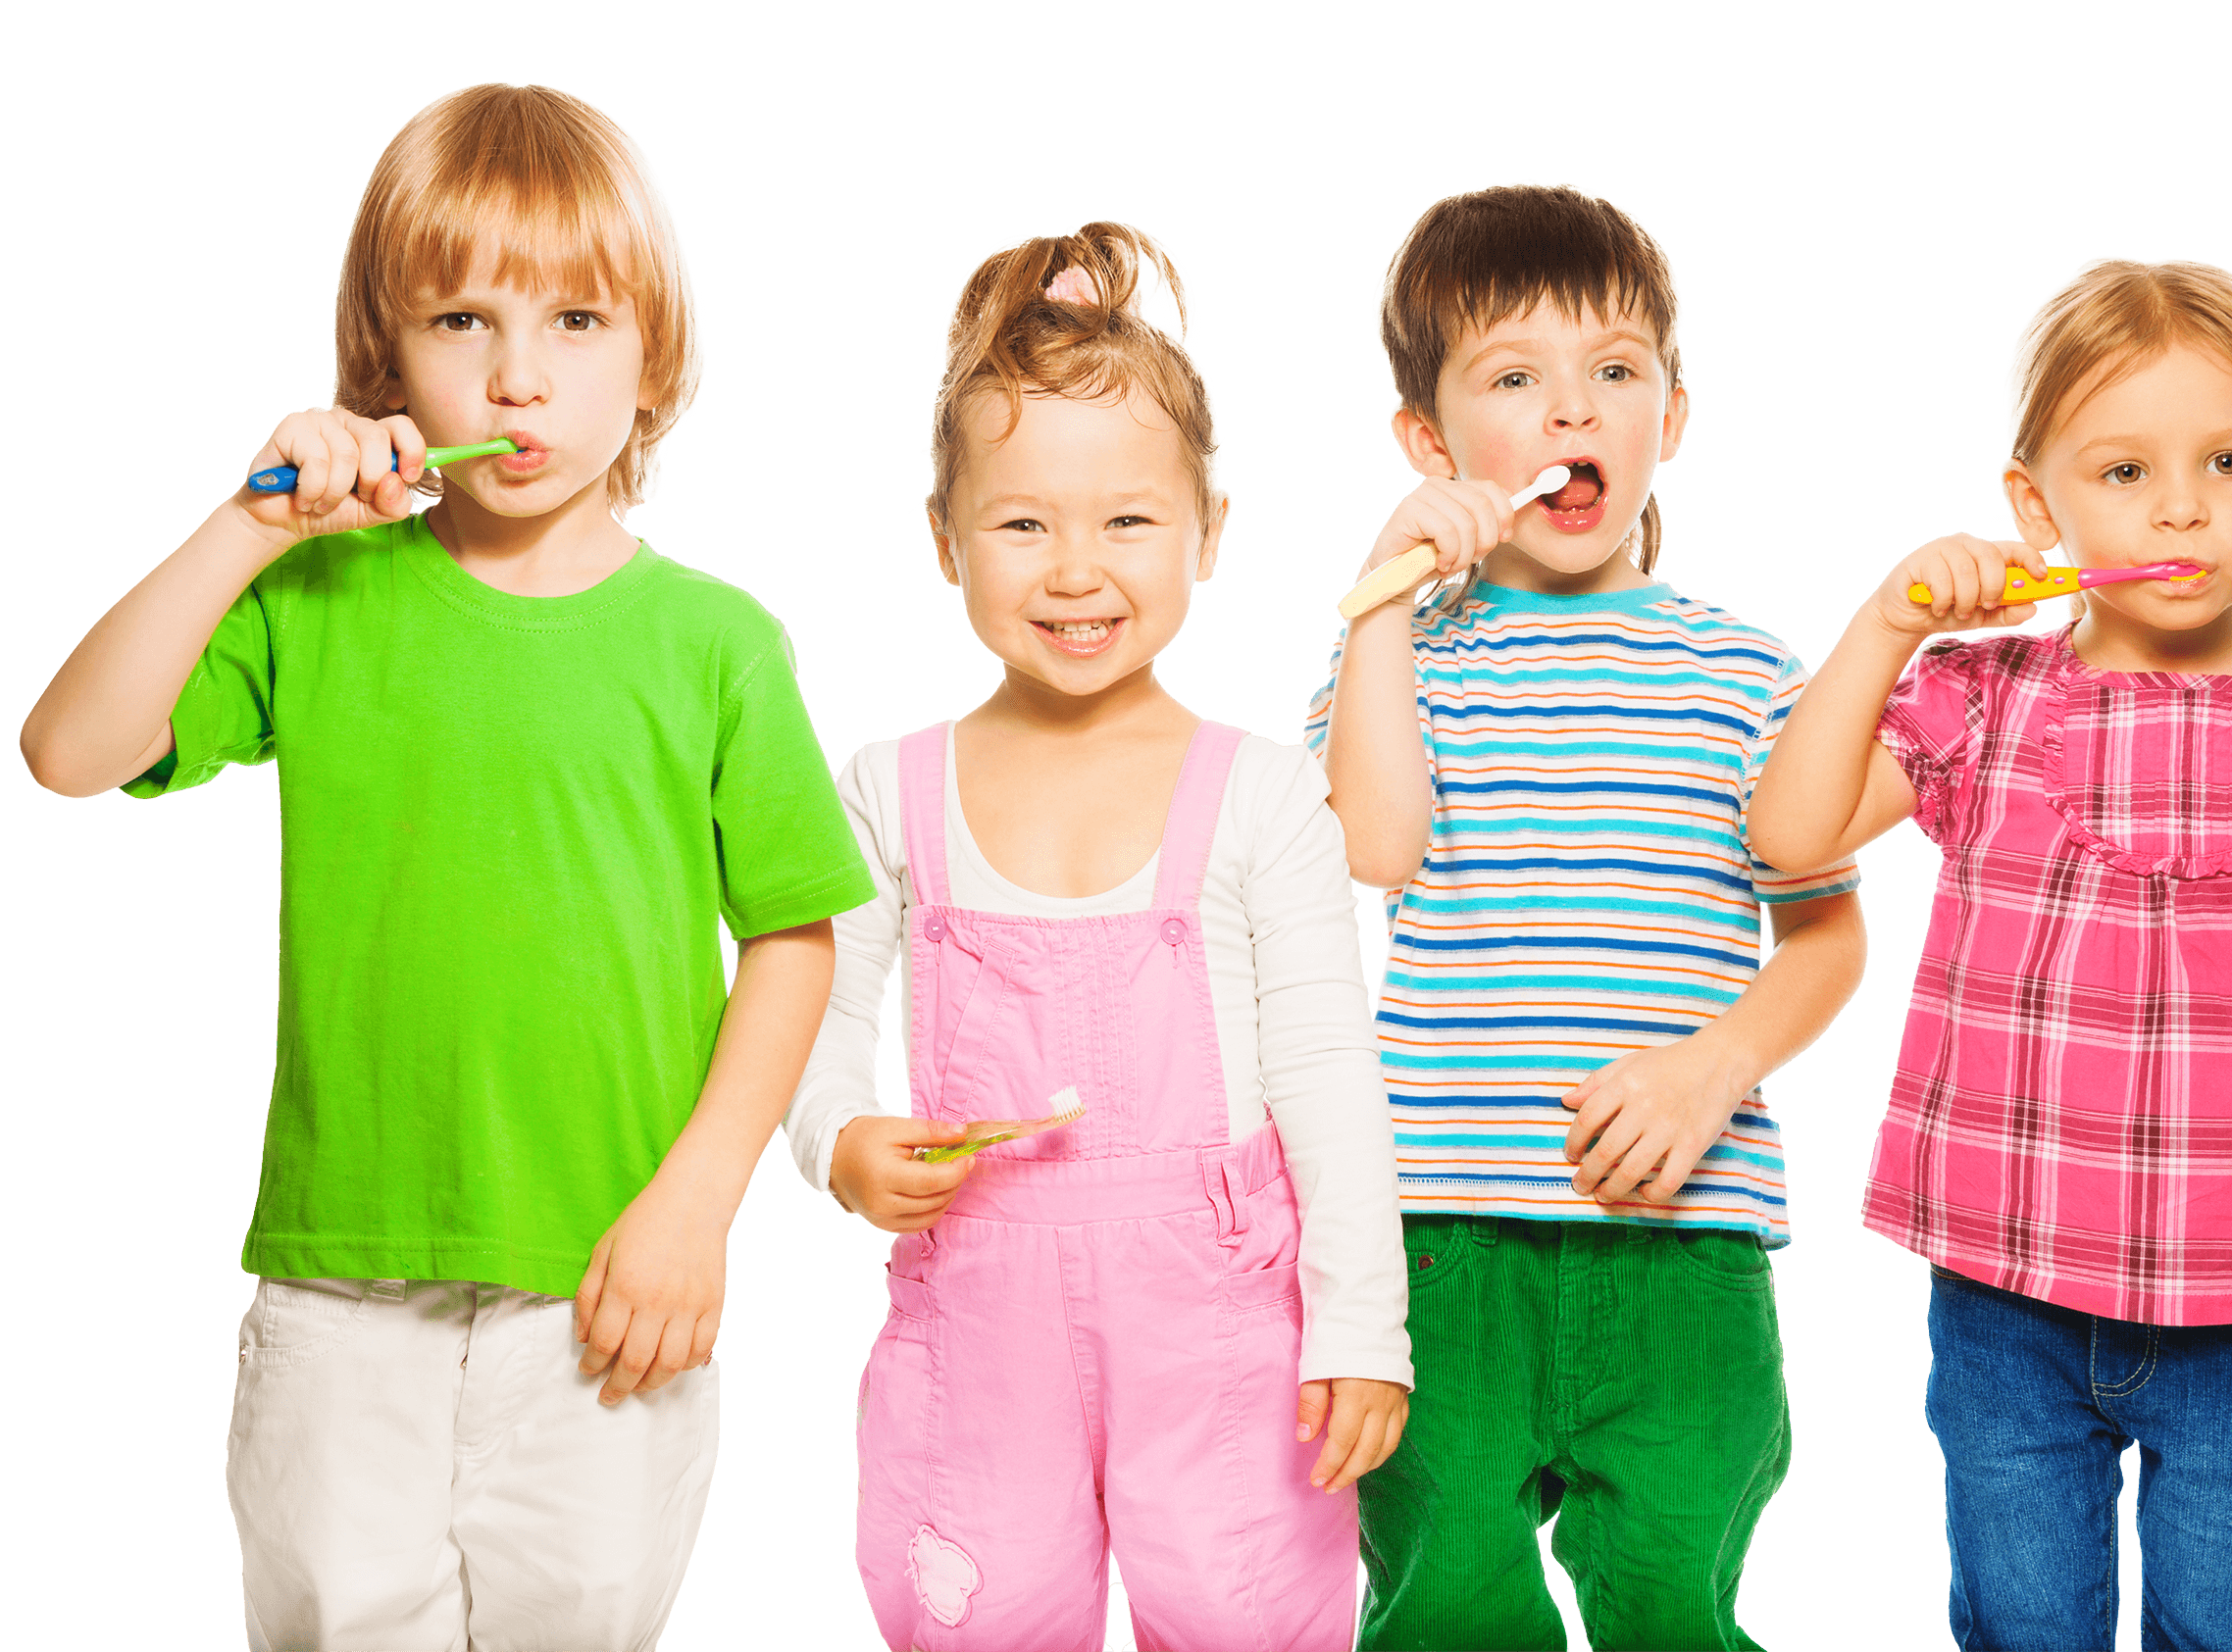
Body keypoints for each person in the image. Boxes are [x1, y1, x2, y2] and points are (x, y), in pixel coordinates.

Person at [17, 82, 870, 1651]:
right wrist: (246, 528)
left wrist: (698, 1205)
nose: (521, 375)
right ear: (384, 358)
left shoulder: (718, 644)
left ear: (656, 357)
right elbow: (68, 750)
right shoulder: (317, 594)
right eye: (463, 317)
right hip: (340, 1289)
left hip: (612, 1284)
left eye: (579, 320)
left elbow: (799, 937)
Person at [1750, 255, 2232, 1651]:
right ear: (2036, 505)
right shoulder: (1976, 697)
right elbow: (1787, 837)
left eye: (2228, 460)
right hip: (2008, 1289)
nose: (2183, 505)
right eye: (2124, 470)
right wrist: (1885, 626)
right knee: (2020, 1625)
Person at [785, 222, 1412, 1652]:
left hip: (1222, 1338)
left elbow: (1328, 1078)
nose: (1077, 570)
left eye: (1128, 520)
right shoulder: (889, 789)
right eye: (1022, 523)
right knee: (972, 1610)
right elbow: (809, 1009)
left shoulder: (1262, 795)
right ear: (947, 540)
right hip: (978, 1326)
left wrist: (1360, 1330)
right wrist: (837, 1141)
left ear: (1209, 528)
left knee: (1250, 1614)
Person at [1305, 179, 1867, 1652]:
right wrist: (1377, 607)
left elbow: (1827, 928)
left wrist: (1714, 1066)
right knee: (1441, 1608)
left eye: (1614, 373)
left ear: (1672, 410)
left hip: (1684, 1244)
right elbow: (1373, 844)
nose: (1574, 417)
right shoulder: (1405, 665)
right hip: (1440, 1239)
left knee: (1680, 1598)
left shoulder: (1749, 677)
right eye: (1515, 381)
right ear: (1430, 443)